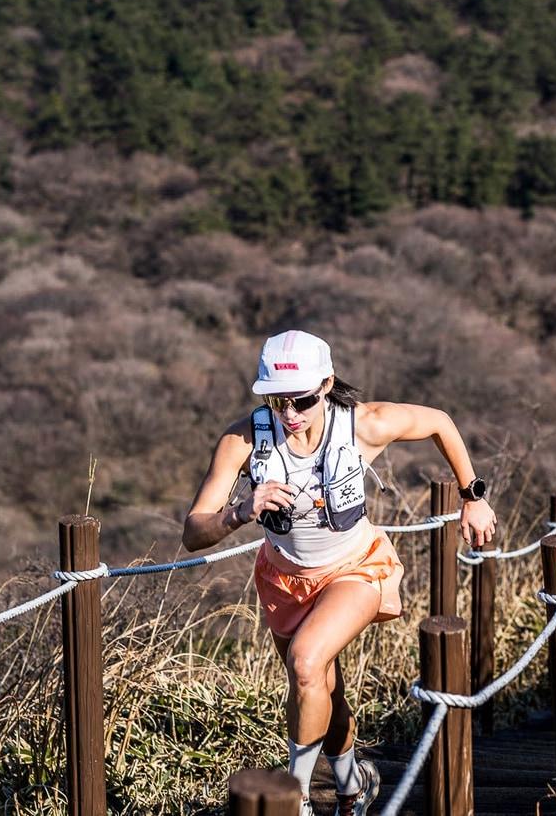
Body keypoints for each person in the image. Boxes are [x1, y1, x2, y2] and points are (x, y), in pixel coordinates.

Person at [182, 331, 497, 816]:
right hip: (284, 580)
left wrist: (471, 495)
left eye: (303, 400)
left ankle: (297, 799)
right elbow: (193, 532)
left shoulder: (364, 425)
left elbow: (439, 422)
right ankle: (352, 786)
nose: (289, 414)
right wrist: (240, 512)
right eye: (277, 399)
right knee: (320, 686)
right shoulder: (242, 439)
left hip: (356, 565)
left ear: (327, 385)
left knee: (306, 663)